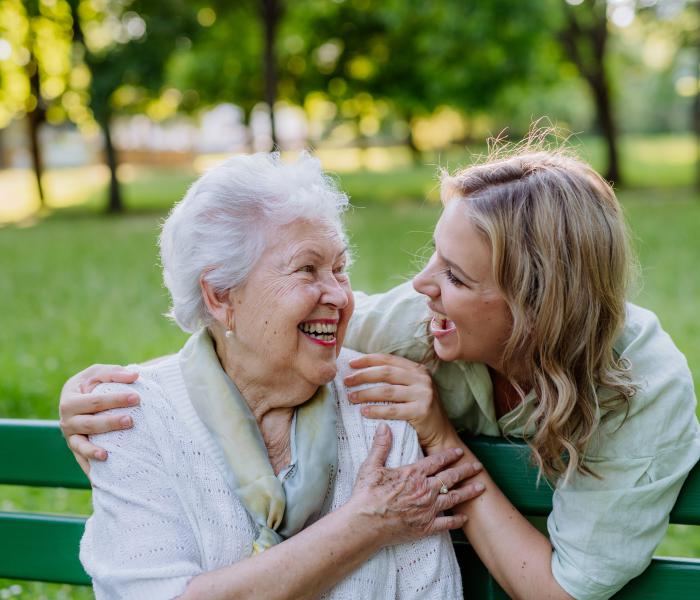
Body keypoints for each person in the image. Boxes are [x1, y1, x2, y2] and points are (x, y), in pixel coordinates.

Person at [61, 140, 700, 600]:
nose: (419, 286)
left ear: (534, 308)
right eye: (309, 270)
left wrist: (439, 439)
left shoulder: (642, 390)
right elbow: (260, 335)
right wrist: (100, 400)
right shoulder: (411, 325)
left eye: (454, 276)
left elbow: (553, 591)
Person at [62, 152, 484, 600]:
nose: (340, 295)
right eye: (307, 269)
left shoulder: (380, 402)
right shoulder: (129, 416)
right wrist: (366, 523)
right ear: (221, 295)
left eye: (340, 269)